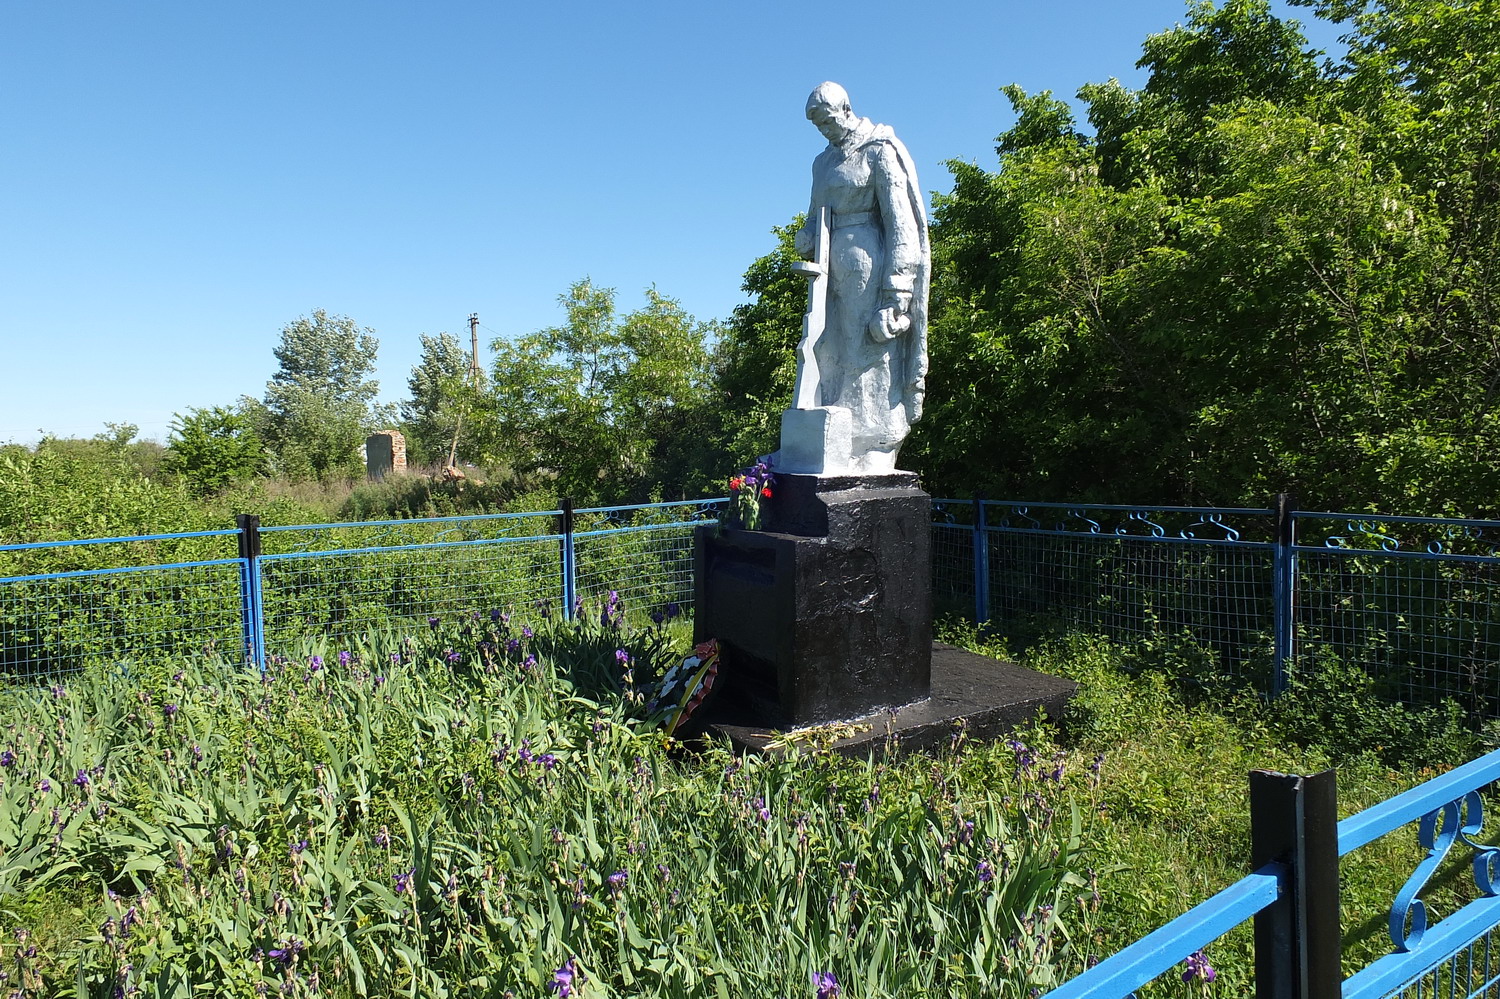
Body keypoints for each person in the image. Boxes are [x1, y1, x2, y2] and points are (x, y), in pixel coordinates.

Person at [794, 81, 930, 473]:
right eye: (816, 125)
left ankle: (876, 444)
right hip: (827, 270)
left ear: (846, 109)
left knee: (869, 351)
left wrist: (897, 293)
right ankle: (832, 441)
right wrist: (806, 238)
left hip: (870, 267)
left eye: (826, 120)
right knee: (827, 350)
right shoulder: (822, 163)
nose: (823, 130)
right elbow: (813, 213)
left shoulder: (880, 150)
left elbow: (902, 224)